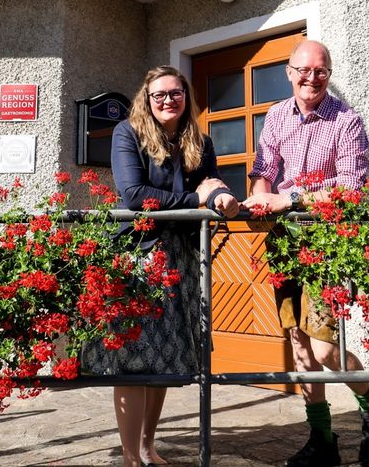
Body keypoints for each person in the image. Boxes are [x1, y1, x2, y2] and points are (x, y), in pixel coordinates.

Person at [242, 40, 369, 467]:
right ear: (289, 72)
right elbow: (264, 170)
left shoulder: (347, 121)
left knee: (327, 349)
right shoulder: (275, 115)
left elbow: (349, 188)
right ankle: (322, 441)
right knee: (300, 344)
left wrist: (286, 199)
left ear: (329, 73)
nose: (311, 78)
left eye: (321, 70)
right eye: (303, 70)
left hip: (328, 245)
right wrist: (259, 196)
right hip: (284, 242)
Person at [86, 65, 240, 467]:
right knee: (133, 358)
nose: (168, 100)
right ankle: (130, 458)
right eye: (159, 95)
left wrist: (218, 194)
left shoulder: (199, 142)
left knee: (164, 359)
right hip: (139, 255)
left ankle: (147, 448)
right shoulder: (129, 134)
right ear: (147, 99)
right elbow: (135, 195)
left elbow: (211, 183)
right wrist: (197, 202)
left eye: (175, 93)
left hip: (180, 259)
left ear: (186, 97)